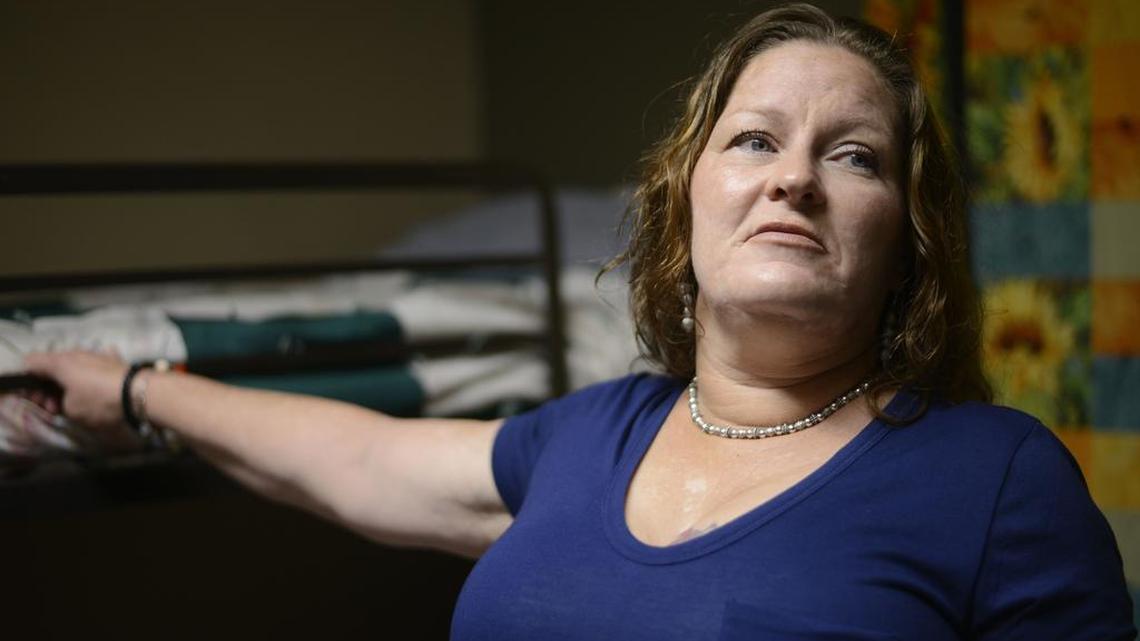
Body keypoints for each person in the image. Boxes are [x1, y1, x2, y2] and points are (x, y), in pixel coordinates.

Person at [21, 3, 1136, 639]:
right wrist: (136, 387)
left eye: (853, 156)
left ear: (907, 242)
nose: (792, 178)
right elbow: (355, 453)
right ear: (684, 197)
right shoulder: (588, 432)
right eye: (753, 140)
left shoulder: (996, 478)